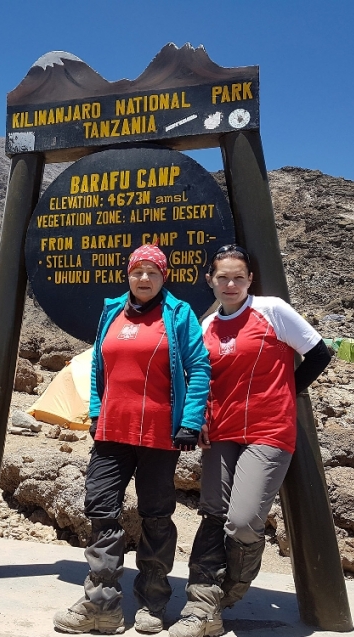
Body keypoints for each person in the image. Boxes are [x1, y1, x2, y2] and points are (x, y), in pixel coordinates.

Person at [171, 244, 331, 637]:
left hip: (269, 431)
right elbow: (201, 378)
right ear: (210, 280)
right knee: (212, 513)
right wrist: (202, 417)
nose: (230, 284)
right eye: (222, 277)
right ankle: (201, 607)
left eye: (238, 277)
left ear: (249, 280)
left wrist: (284, 391)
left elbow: (319, 354)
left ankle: (231, 591)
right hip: (221, 432)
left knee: (242, 521)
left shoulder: (272, 310)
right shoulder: (207, 325)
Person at [54, 244, 211, 635]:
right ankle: (102, 604)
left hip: (161, 433)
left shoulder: (178, 314)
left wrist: (190, 421)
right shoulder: (111, 311)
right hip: (112, 430)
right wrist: (95, 412)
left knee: (156, 515)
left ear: (164, 276)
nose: (144, 278)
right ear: (128, 275)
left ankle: (153, 601)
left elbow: (199, 367)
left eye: (152, 272)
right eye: (137, 271)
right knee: (101, 506)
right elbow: (98, 366)